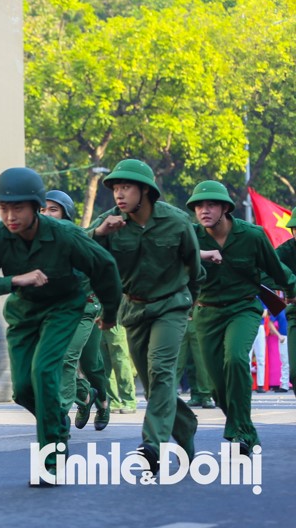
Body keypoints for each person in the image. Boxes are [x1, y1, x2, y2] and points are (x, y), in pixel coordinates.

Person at [0, 170, 121, 483]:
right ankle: (56, 419)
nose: (10, 216)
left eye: (17, 208)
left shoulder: (63, 234)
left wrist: (111, 313)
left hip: (63, 308)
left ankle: (52, 459)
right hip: (24, 313)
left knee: (45, 370)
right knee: (22, 389)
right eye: (3, 208)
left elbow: (105, 266)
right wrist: (14, 280)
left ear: (35, 207)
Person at [88, 159, 203, 474]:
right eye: (116, 189)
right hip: (134, 308)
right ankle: (185, 428)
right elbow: (78, 248)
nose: (119, 195)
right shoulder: (109, 221)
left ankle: (152, 445)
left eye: (126, 187)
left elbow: (195, 267)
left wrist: (190, 303)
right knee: (153, 386)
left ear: (146, 191)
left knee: (162, 371)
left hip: (172, 305)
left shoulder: (178, 222)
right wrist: (99, 232)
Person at [187, 180, 296, 454]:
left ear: (225, 208)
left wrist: (292, 289)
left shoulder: (252, 235)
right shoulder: (190, 237)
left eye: (211, 204)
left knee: (235, 359)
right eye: (199, 205)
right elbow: (168, 260)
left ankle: (241, 433)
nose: (204, 210)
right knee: (215, 385)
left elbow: (277, 269)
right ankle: (241, 427)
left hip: (243, 308)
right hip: (205, 311)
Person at [39, 190, 112, 432]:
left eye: (53, 209)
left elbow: (86, 239)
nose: (47, 214)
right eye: (42, 209)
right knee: (65, 360)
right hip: (55, 313)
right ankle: (81, 399)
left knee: (86, 363)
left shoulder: (77, 235)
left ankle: (100, 400)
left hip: (85, 309)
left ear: (66, 214)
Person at [276, 215, 296, 395]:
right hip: (295, 314)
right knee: (294, 372)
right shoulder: (285, 251)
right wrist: (287, 289)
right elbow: (265, 273)